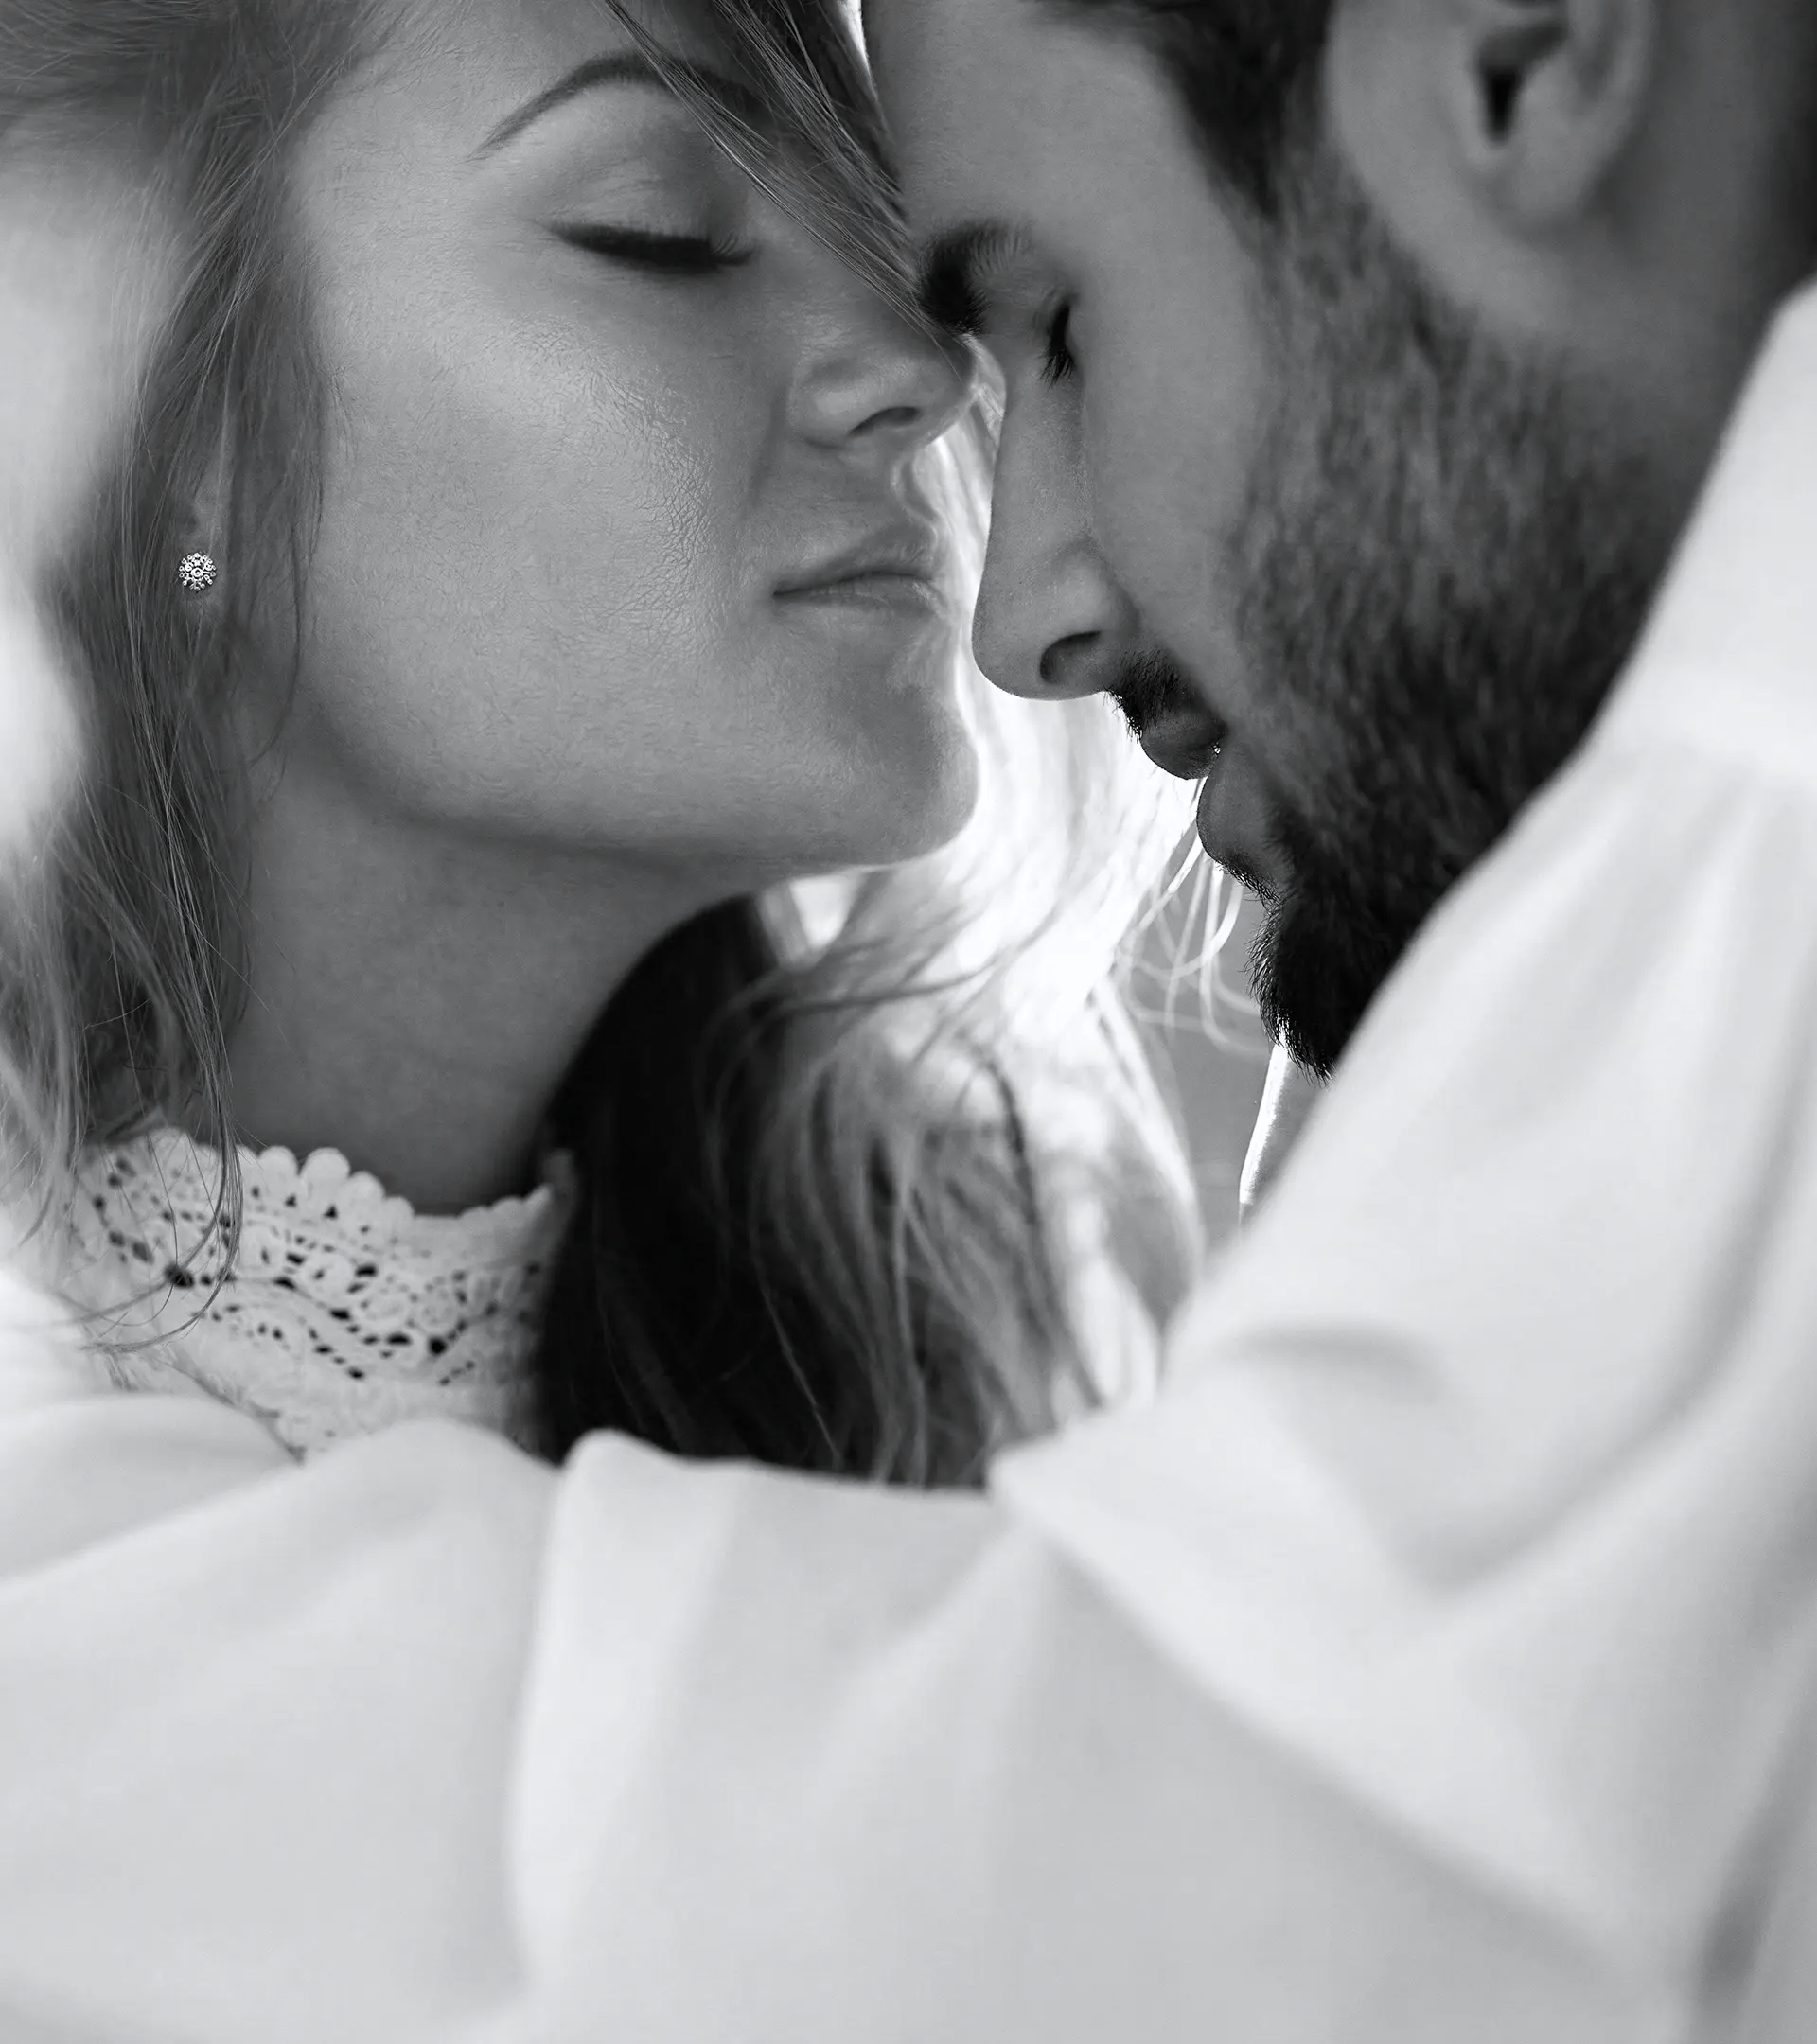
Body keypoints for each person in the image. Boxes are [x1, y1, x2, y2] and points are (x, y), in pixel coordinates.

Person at [5, 5, 1816, 2044]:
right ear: (121, 386)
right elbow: (1237, 1866)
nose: (919, 376)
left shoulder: (950, 1352)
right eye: (659, 231)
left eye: (1009, 304)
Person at [0, 0, 1199, 1489]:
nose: (928, 363)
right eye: (662, 235)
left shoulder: (997, 1338)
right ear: (159, 430)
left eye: (884, 234)